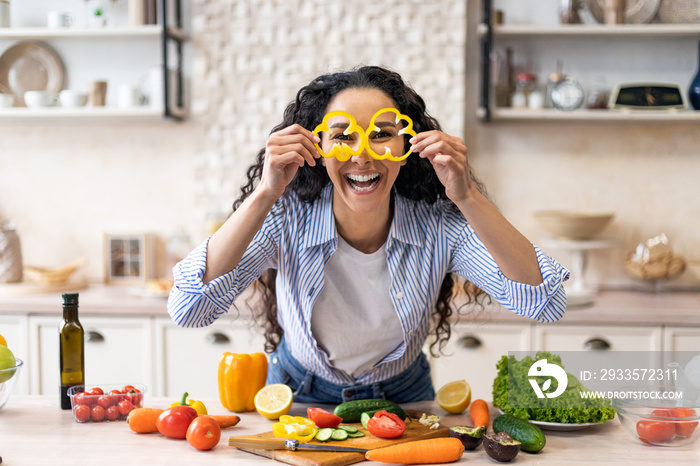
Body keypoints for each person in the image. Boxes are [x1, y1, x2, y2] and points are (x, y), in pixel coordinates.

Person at [167, 66, 569, 404]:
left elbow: (545, 302)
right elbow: (188, 307)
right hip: (298, 395)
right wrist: (265, 194)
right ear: (317, 146)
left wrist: (468, 195)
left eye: (381, 134)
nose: (363, 154)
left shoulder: (440, 224)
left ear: (407, 144)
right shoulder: (284, 216)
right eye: (342, 136)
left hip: (404, 397)